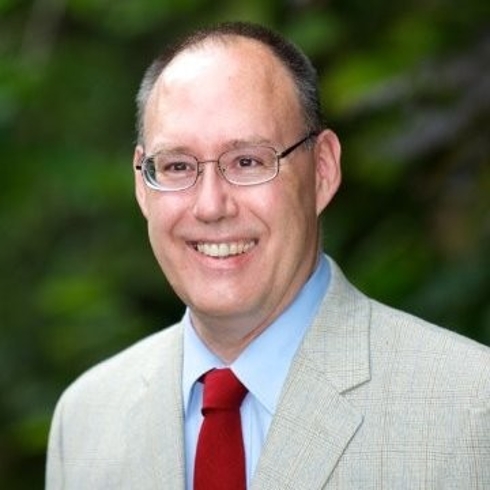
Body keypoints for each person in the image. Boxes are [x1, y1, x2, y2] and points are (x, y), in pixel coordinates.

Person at [46, 21, 489, 489]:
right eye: (177, 166)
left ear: (322, 170)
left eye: (249, 161)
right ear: (142, 184)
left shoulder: (471, 411)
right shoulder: (84, 423)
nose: (212, 206)